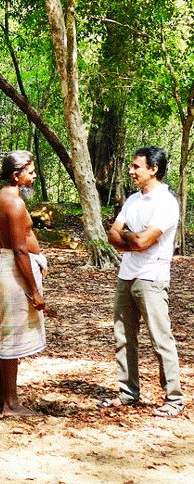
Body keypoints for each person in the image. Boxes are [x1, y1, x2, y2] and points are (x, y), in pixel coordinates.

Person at [102, 146, 183, 417]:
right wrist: (131, 238)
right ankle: (128, 392)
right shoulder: (133, 200)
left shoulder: (166, 202)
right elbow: (113, 236)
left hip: (152, 277)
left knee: (161, 338)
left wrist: (128, 237)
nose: (131, 171)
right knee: (124, 336)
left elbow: (141, 241)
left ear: (153, 169)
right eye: (132, 166)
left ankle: (173, 398)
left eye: (136, 166)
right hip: (127, 275)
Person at [0, 150, 47, 417]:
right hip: (14, 270)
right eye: (31, 172)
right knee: (12, 336)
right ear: (16, 175)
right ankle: (11, 404)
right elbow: (20, 250)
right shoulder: (13, 202)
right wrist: (33, 289)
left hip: (7, 266)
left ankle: (0, 396)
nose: (34, 176)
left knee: (7, 333)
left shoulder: (0, 198)